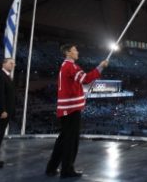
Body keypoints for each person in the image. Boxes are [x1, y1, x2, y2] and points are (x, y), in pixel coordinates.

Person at [46, 44, 108, 178]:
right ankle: (67, 170)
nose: (77, 52)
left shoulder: (65, 66)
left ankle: (51, 168)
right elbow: (85, 79)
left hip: (66, 109)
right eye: (75, 50)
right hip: (72, 109)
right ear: (68, 53)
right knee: (71, 141)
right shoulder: (71, 66)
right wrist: (100, 67)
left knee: (63, 140)